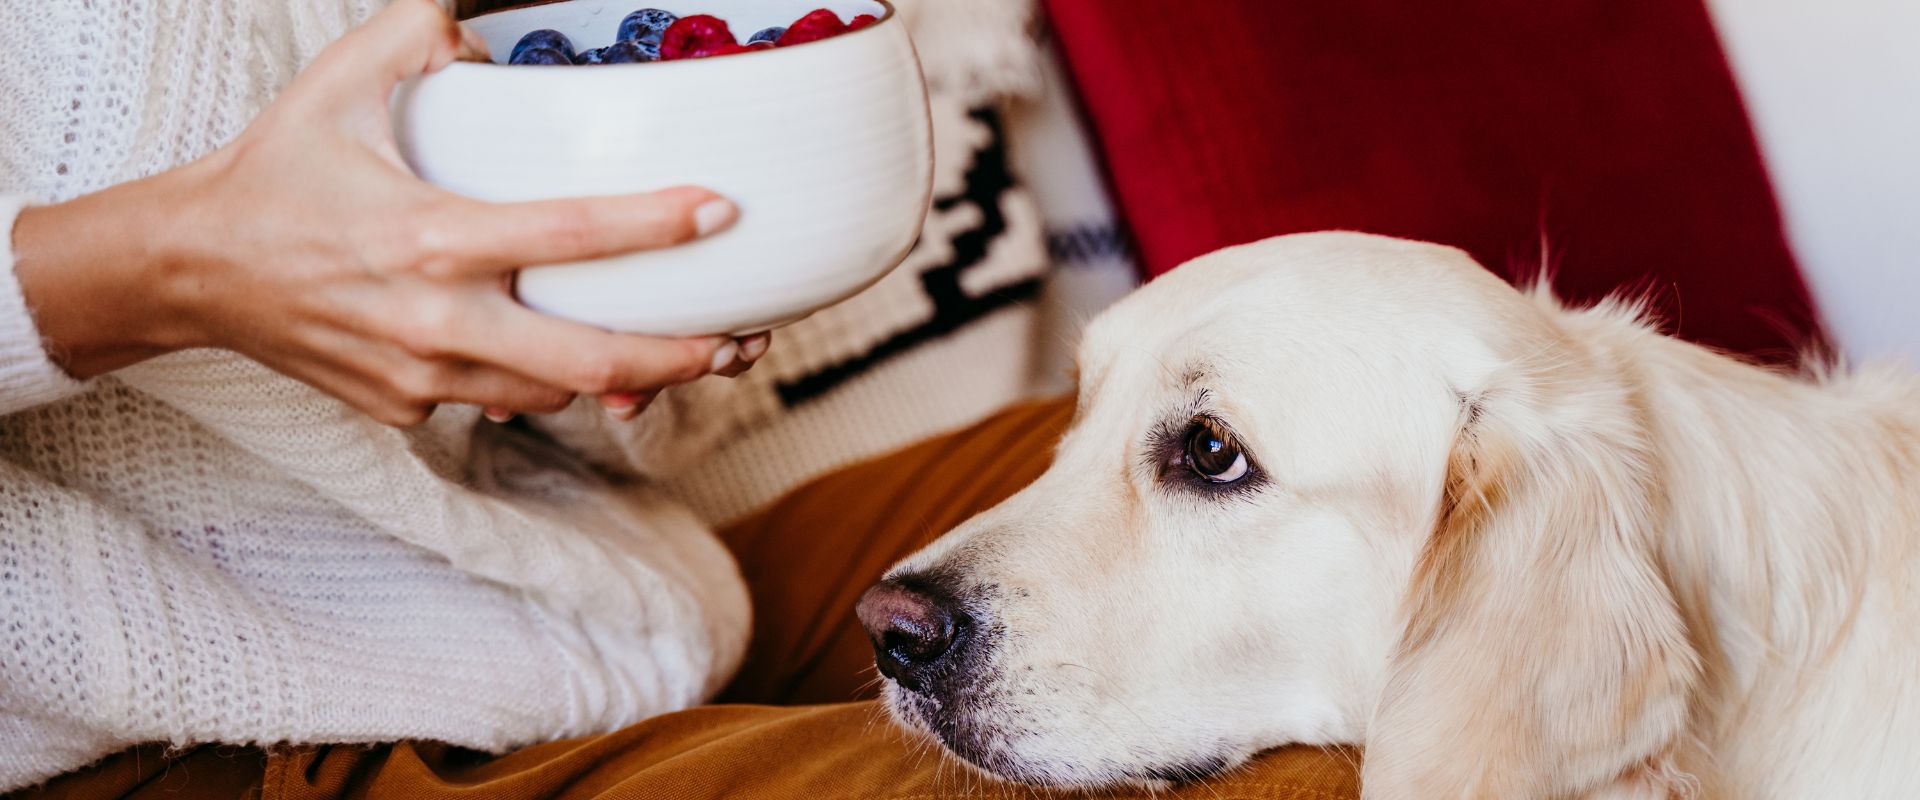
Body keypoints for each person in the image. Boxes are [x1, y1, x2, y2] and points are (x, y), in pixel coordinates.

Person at [2, 1, 1358, 797]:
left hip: (578, 579)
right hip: (204, 738)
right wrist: (163, 275)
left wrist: (572, 266)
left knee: (1392, 489)